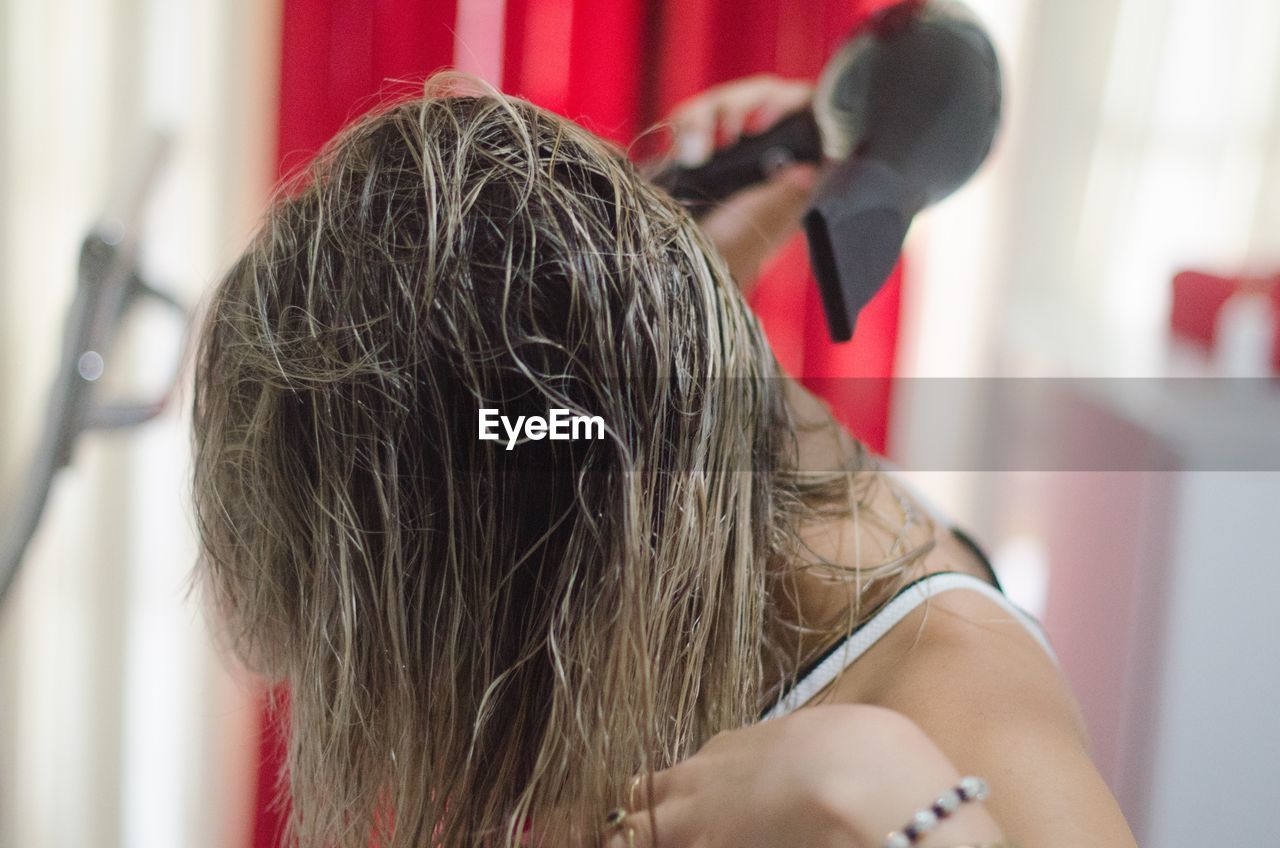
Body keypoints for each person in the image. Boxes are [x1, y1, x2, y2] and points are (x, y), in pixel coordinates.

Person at [191, 72, 1137, 847]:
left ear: (543, 555)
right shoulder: (650, 467)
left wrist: (917, 826)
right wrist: (667, 287)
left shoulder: (955, 713)